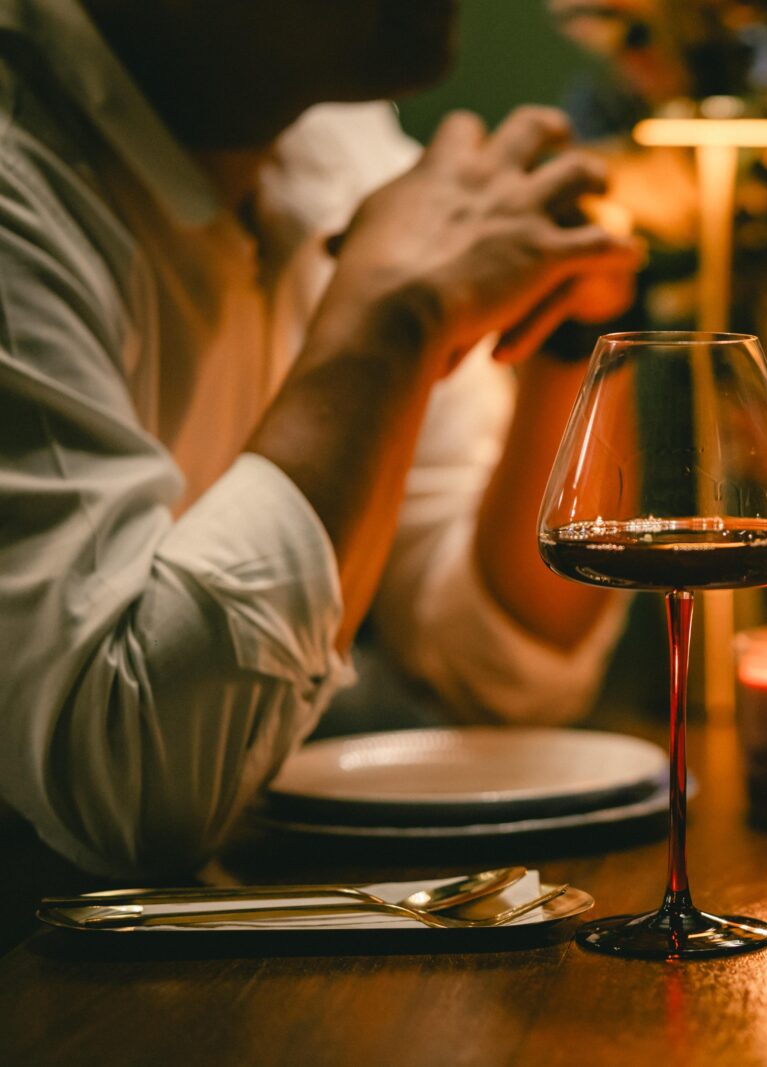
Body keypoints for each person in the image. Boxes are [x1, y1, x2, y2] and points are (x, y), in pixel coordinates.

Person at [0, 0, 643, 876]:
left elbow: (496, 673)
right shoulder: (22, 176)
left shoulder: (334, 137)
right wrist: (387, 320)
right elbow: (131, 794)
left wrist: (571, 340)